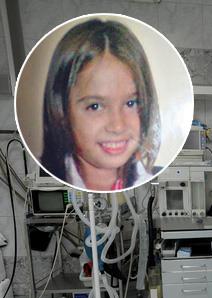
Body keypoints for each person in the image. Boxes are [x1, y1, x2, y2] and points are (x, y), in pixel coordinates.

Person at [41, 18, 160, 191]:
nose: (117, 126)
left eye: (131, 103)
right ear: (62, 111)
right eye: (95, 106)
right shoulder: (46, 185)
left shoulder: (152, 185)